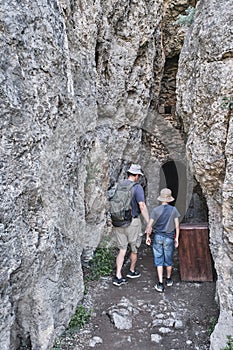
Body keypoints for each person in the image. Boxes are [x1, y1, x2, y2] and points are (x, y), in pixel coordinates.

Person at [113, 164, 150, 287]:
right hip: (132, 222)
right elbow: (142, 206)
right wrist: (149, 221)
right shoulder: (137, 187)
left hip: (118, 221)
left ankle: (118, 275)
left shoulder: (120, 185)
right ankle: (131, 271)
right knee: (134, 249)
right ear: (137, 176)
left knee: (122, 249)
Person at [145, 188, 180, 292]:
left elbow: (149, 225)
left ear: (161, 199)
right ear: (169, 199)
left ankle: (160, 284)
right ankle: (168, 280)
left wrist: (147, 237)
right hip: (169, 237)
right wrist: (176, 238)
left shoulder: (156, 210)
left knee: (159, 259)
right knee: (168, 259)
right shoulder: (174, 210)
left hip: (158, 237)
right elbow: (177, 226)